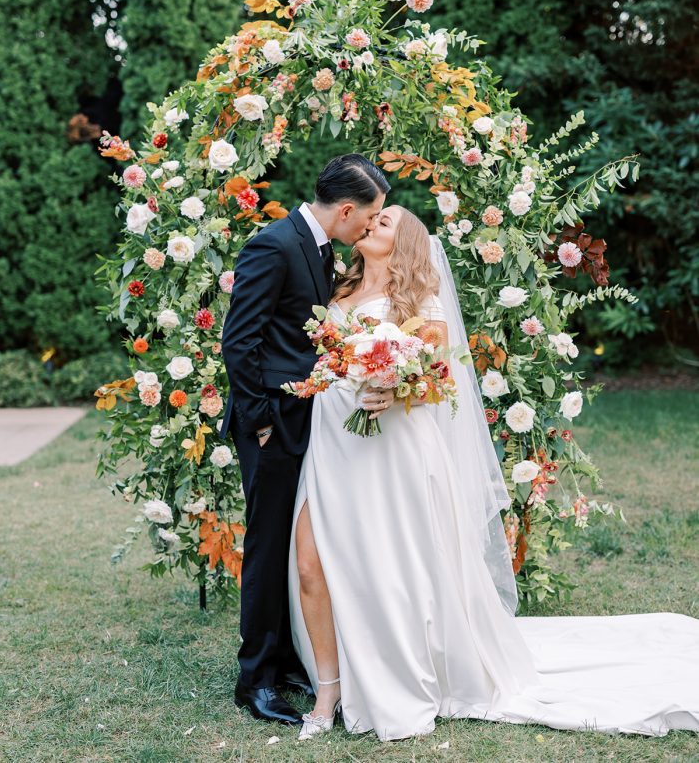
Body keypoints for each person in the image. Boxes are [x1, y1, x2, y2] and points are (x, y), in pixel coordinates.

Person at [288, 204, 699, 742]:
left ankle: (397, 673)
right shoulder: (338, 292)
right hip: (334, 444)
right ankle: (328, 687)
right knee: (311, 565)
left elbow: (437, 381)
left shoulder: (422, 301)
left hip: (394, 454)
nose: (370, 224)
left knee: (391, 571)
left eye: (384, 222)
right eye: (372, 218)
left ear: (404, 244)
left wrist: (396, 386)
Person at [219, 153, 393, 726]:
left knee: (295, 547)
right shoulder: (274, 245)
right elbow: (238, 341)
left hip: (307, 422)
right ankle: (255, 680)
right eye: (370, 215)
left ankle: (286, 659)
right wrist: (260, 421)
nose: (371, 225)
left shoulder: (318, 247)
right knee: (268, 547)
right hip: (272, 424)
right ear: (345, 210)